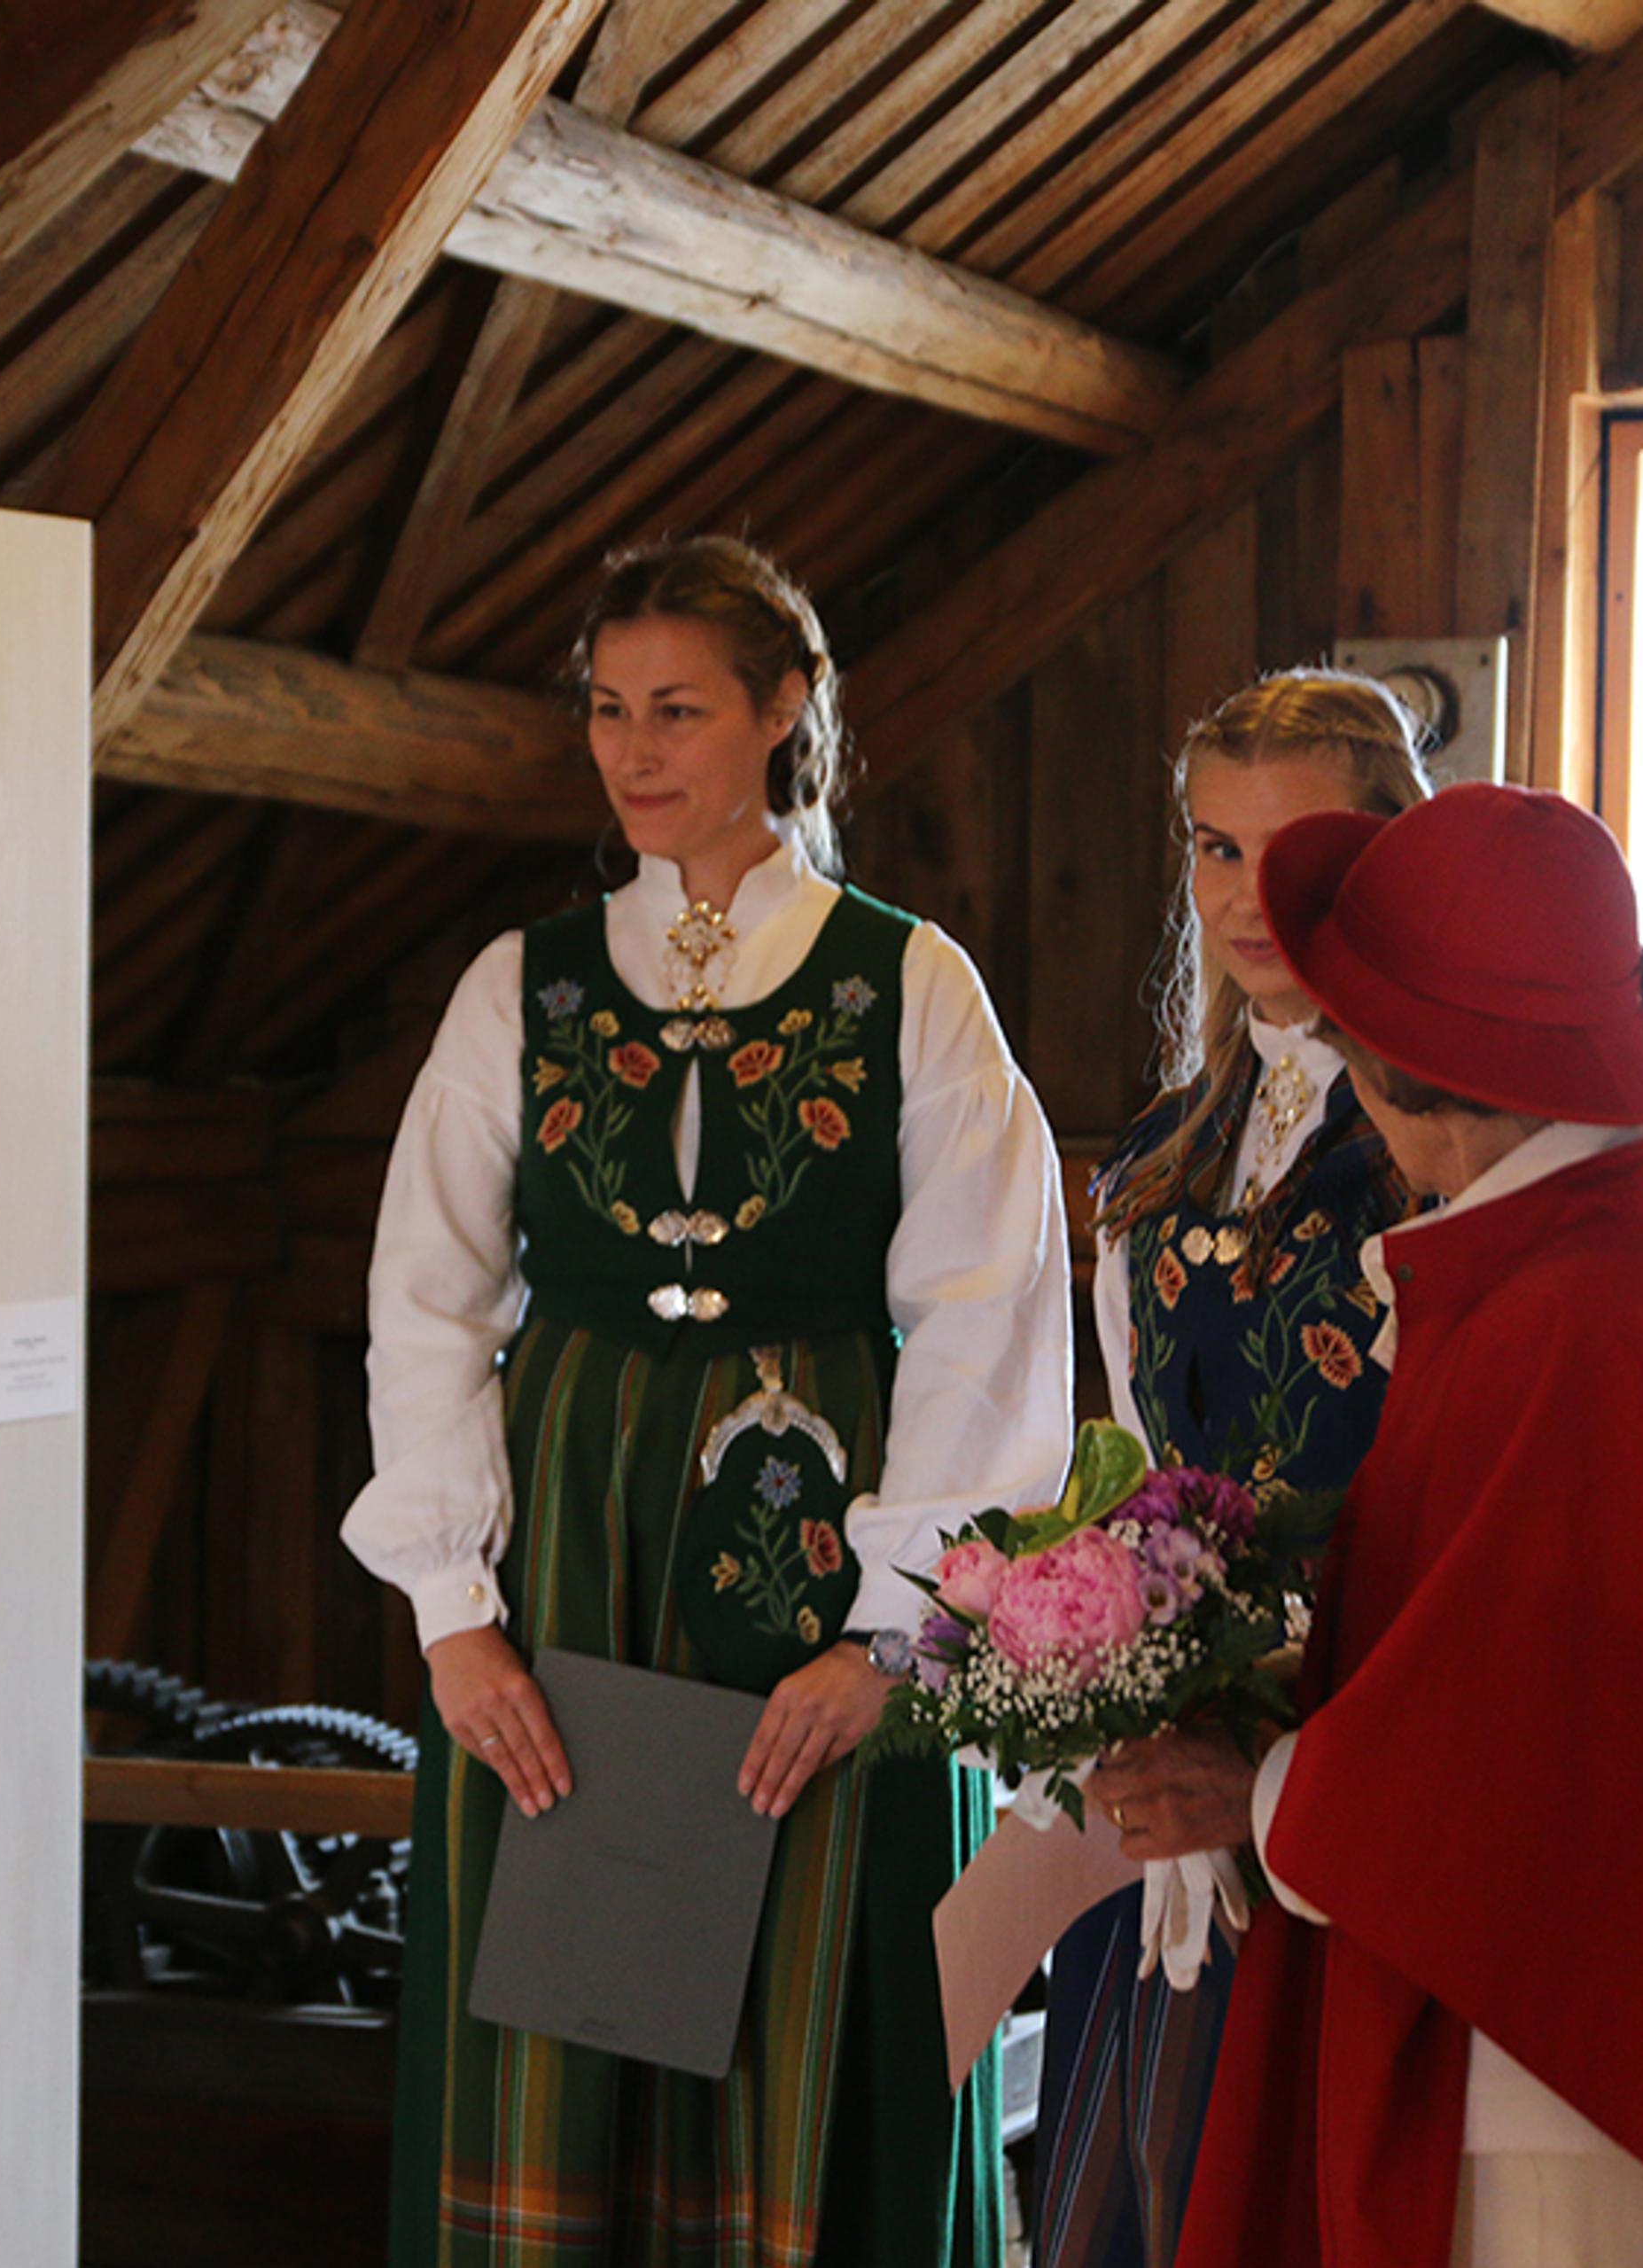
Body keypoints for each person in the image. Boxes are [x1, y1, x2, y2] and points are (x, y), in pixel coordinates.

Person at [342, 535, 1075, 2267]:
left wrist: (892, 1635)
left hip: (823, 1556)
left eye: (676, 708)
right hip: (570, 1565)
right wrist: (456, 1618)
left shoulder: (908, 982)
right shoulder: (524, 983)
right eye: (609, 710)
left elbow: (987, 1313)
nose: (634, 750)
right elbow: (425, 1293)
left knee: (814, 2003)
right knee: (561, 2021)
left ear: (785, 709)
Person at [1089, 784, 1643, 2268]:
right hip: (1570, 2012)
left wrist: (1255, 1791)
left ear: (1417, 1078)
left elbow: (1518, 1757)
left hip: (1556, 2049)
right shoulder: (1607, 1257)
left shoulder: (1579, 1316)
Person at [1032, 674, 1427, 2268]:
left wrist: (1276, 1754)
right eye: (1215, 848)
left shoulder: (1434, 1163)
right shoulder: (1147, 1171)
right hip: (1176, 1806)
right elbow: (1143, 1483)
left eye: (1296, 850)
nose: (1248, 896)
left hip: (1370, 1778)